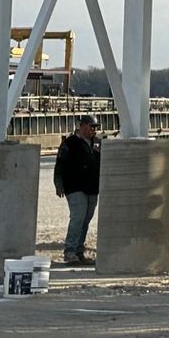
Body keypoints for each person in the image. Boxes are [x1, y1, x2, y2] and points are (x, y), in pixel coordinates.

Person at [53, 114, 102, 266]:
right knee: (78, 218)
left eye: (95, 127)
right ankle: (70, 251)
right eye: (91, 127)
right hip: (74, 186)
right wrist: (58, 183)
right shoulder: (70, 143)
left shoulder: (97, 143)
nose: (94, 130)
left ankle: (79, 251)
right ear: (82, 126)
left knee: (86, 219)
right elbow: (60, 164)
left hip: (92, 187)